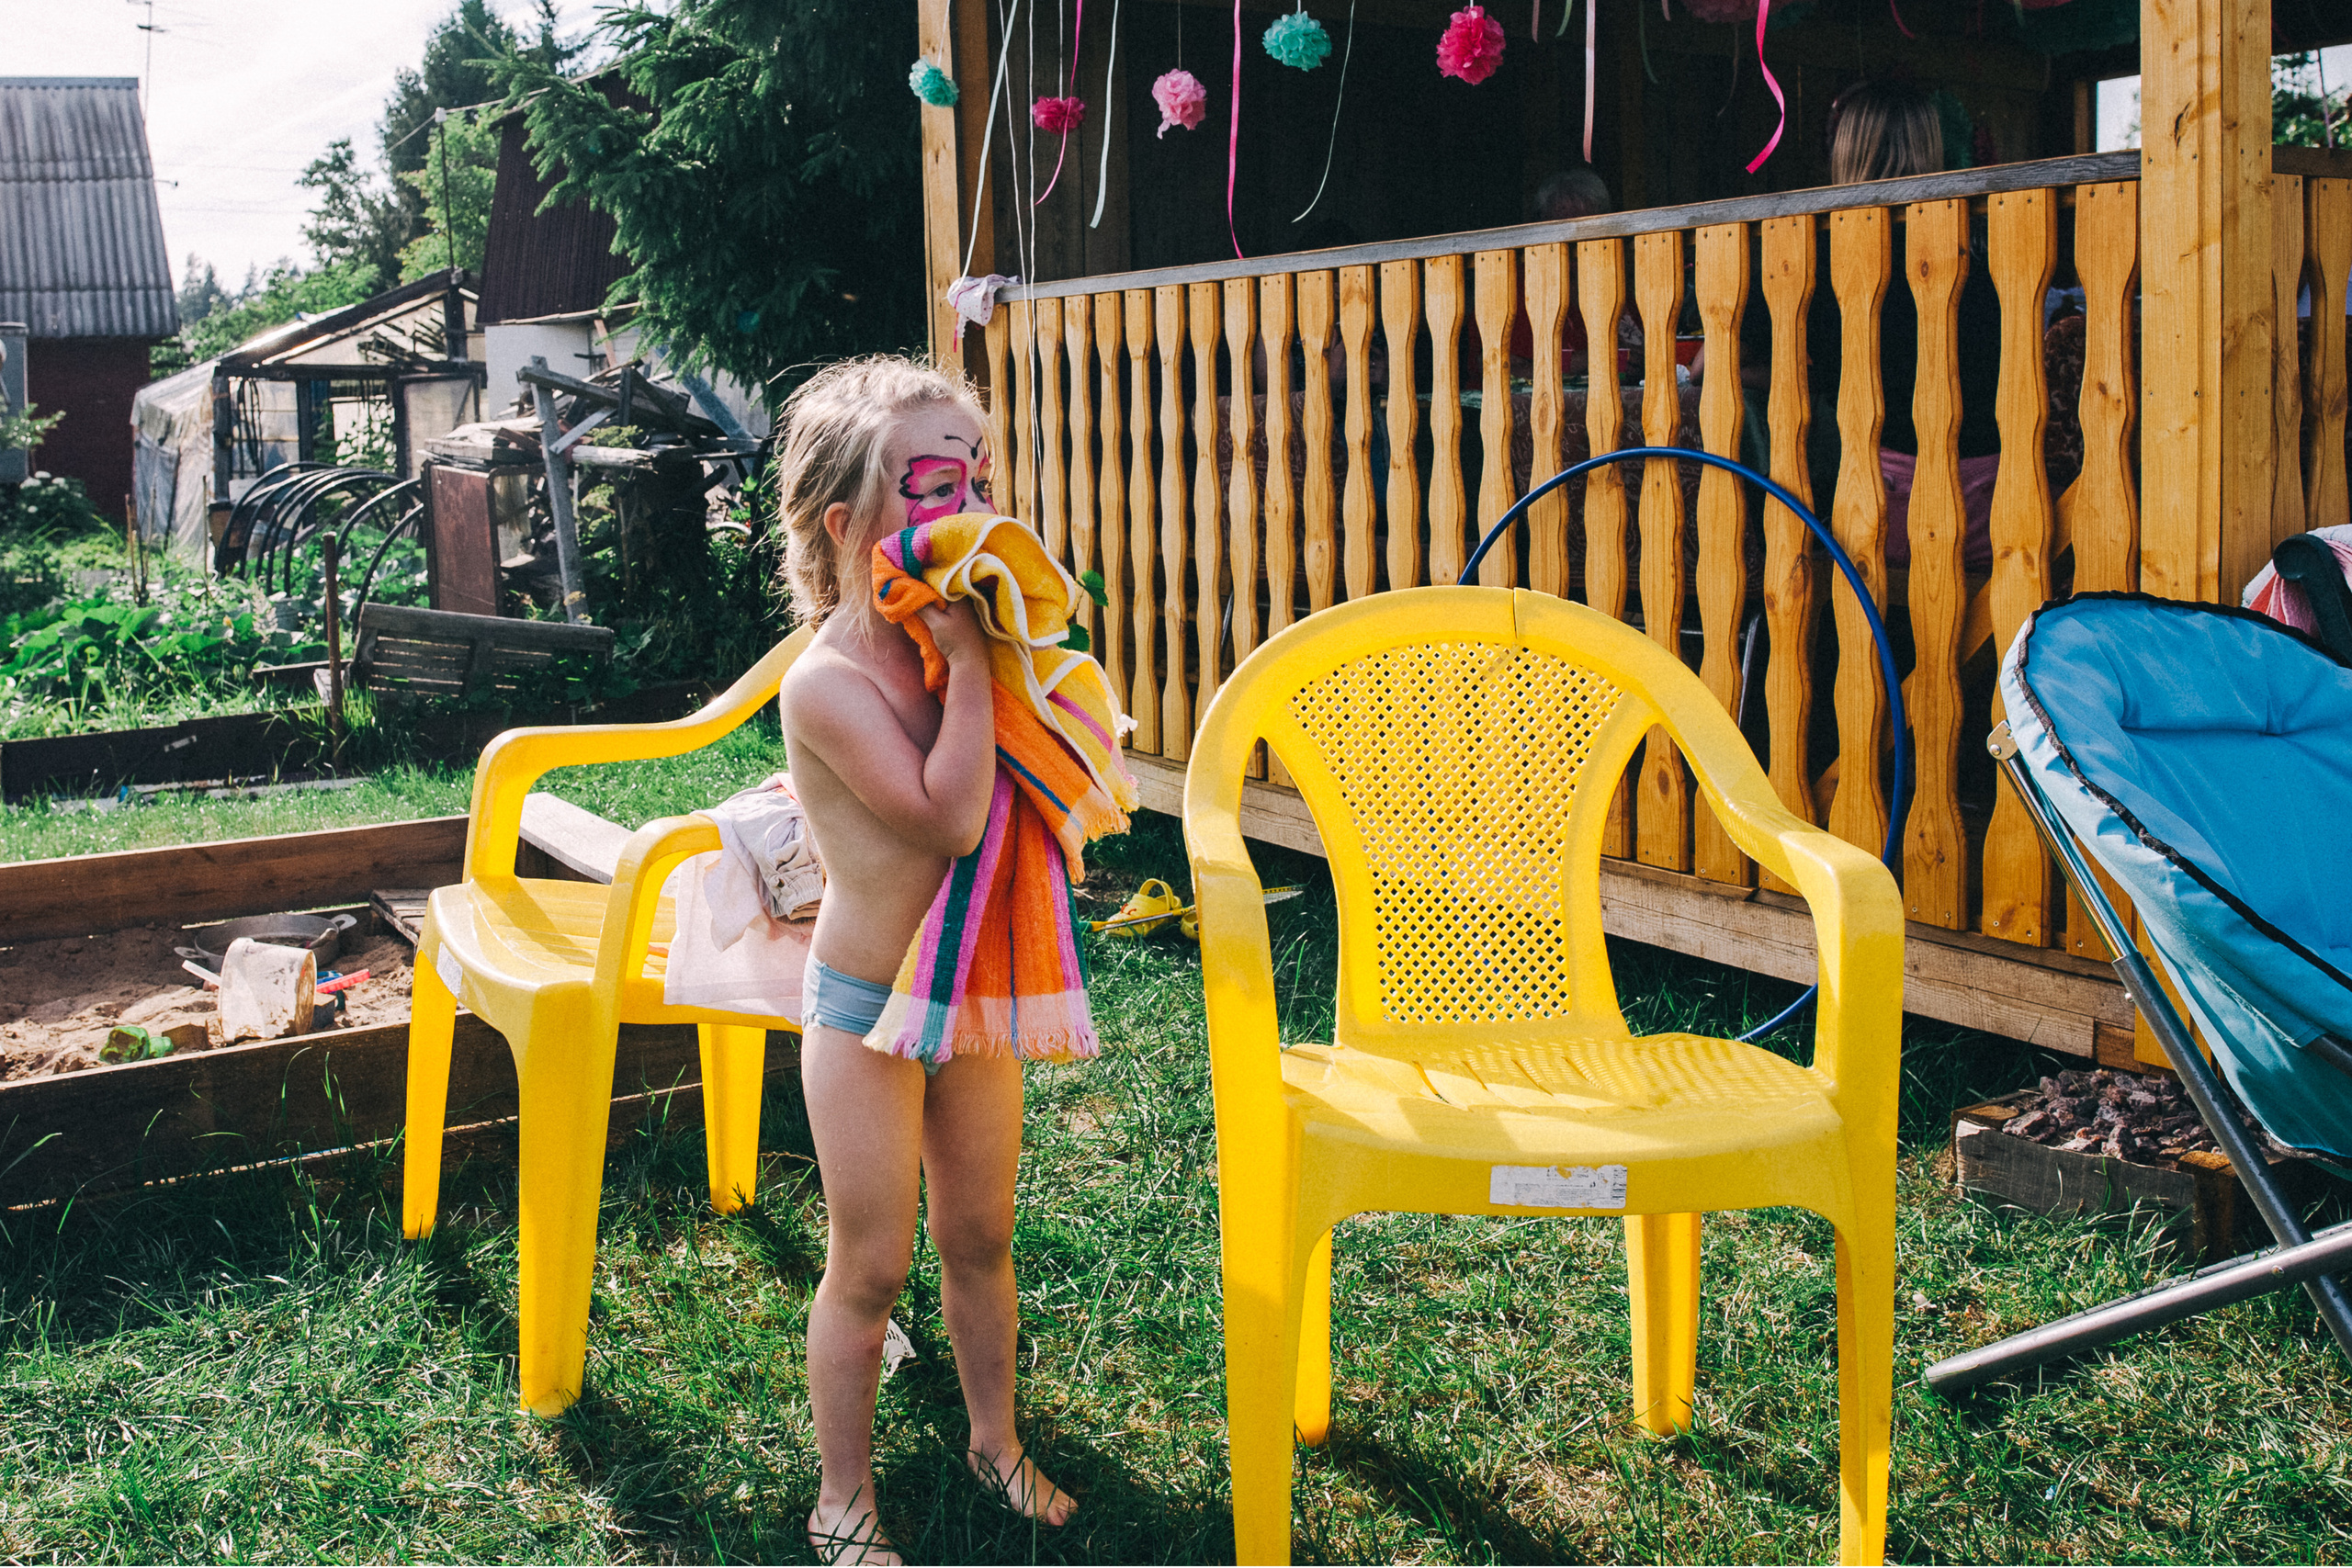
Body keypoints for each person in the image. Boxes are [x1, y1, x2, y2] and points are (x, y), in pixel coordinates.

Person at [775, 355, 1080, 1564]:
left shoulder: (962, 644)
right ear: (846, 526)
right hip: (865, 1010)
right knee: (871, 1264)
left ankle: (992, 1440)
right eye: (935, 490)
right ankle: (841, 1496)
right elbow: (951, 819)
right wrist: (974, 668)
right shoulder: (831, 682)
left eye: (979, 484)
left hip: (969, 995)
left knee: (981, 1235)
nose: (970, 513)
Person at [1724, 78, 2002, 575]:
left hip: (1882, 513)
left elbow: (1709, 368)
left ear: (1845, 150)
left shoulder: (1814, 254)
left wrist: (1809, 376)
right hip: (1999, 509)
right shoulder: (1980, 245)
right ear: (1932, 145)